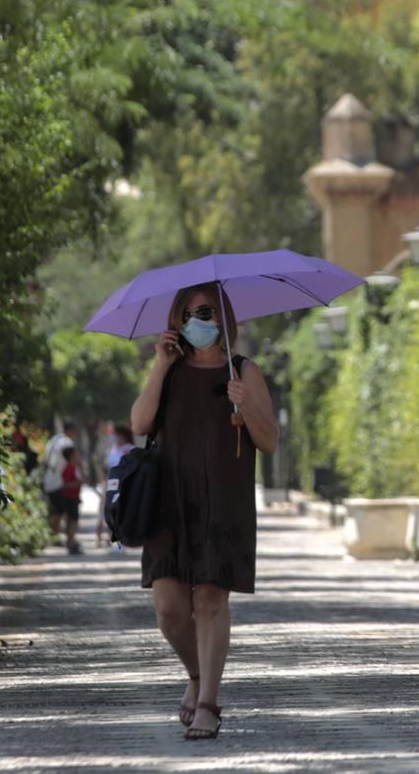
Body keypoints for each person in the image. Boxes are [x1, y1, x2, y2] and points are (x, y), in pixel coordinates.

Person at [130, 282, 278, 741]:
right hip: (169, 501)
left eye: (210, 312)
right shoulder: (170, 372)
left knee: (211, 600)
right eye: (193, 313)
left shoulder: (244, 370)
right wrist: (159, 363)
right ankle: (197, 676)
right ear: (177, 320)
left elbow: (269, 441)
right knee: (170, 611)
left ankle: (209, 704)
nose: (202, 320)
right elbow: (139, 424)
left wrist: (245, 403)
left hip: (223, 500)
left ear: (225, 318)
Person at [43, 422, 78, 544]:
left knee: (55, 510)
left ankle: (54, 537)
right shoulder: (67, 442)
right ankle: (60, 538)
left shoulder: (53, 440)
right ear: (70, 430)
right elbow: (72, 460)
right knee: (61, 511)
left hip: (49, 479)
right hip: (60, 481)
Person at [99, 424, 134, 548]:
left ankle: (120, 541)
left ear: (123, 435)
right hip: (110, 485)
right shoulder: (113, 449)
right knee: (109, 512)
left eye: (116, 435)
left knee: (120, 513)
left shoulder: (129, 449)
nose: (114, 437)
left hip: (123, 486)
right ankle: (111, 539)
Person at [59, 445, 85, 555]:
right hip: (70, 498)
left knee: (72, 520)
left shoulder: (75, 468)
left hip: (73, 498)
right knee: (72, 521)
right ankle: (71, 542)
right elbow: (65, 485)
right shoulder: (69, 468)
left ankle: (71, 541)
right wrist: (78, 483)